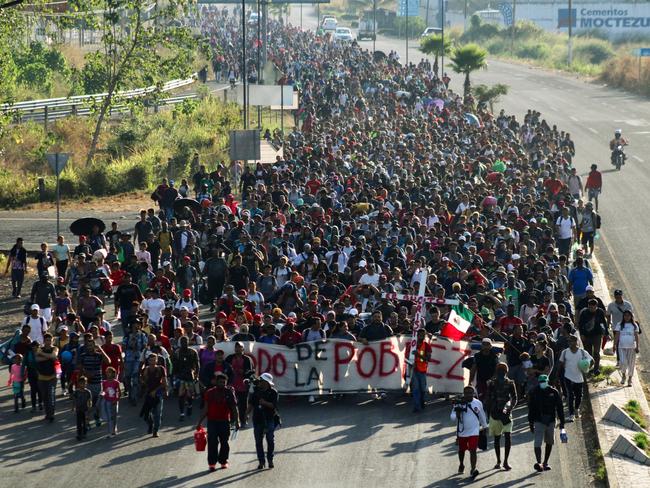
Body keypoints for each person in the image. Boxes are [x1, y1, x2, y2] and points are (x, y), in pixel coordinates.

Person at [196, 372, 240, 471]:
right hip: (212, 422)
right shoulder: (209, 393)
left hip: (224, 421)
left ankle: (223, 461)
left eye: (224, 382)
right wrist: (199, 422)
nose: (222, 384)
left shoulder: (229, 393)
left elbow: (234, 408)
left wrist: (237, 421)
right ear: (216, 382)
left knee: (225, 443)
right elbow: (206, 409)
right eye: (220, 382)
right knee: (212, 443)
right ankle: (212, 463)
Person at [528, 374, 565, 472]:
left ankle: (545, 462)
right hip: (538, 420)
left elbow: (560, 408)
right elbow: (531, 409)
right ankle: (539, 463)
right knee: (537, 442)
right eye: (540, 382)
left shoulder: (554, 392)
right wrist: (531, 423)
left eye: (544, 382)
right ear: (538, 382)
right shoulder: (534, 392)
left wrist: (562, 422)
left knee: (549, 442)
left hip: (551, 421)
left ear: (547, 381)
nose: (542, 383)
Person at [484, 363, 517, 471]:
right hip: (497, 413)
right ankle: (500, 461)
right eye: (500, 370)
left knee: (505, 437)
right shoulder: (492, 383)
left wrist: (509, 408)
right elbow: (488, 399)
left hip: (504, 414)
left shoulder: (510, 383)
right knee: (499, 438)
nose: (501, 372)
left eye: (502, 370)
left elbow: (514, 398)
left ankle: (504, 461)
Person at [450, 385, 488, 479]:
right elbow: (452, 417)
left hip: (474, 431)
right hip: (462, 432)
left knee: (473, 450)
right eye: (466, 393)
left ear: (473, 394)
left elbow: (482, 415)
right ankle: (461, 464)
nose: (468, 395)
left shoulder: (478, 403)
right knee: (461, 450)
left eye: (470, 393)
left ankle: (473, 469)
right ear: (464, 394)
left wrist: (485, 427)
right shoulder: (458, 403)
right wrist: (457, 414)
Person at [247, 372, 279, 470]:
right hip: (257, 419)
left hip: (269, 419)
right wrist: (245, 415)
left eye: (264, 381)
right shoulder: (255, 392)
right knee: (258, 442)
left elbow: (274, 405)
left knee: (270, 440)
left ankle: (270, 459)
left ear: (268, 383)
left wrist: (264, 402)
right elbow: (251, 405)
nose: (261, 382)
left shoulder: (273, 392)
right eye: (261, 381)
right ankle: (261, 461)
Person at [559, 335, 592, 422]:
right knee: (570, 395)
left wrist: (587, 368)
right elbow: (561, 362)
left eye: (572, 341)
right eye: (569, 341)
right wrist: (560, 373)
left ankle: (576, 409)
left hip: (579, 377)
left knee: (579, 395)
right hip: (568, 376)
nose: (570, 343)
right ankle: (571, 414)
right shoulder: (565, 352)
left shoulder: (582, 352)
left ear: (576, 342)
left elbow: (592, 361)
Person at [225, 342, 253, 427]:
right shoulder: (230, 358)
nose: (238, 349)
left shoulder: (247, 359)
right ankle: (232, 420)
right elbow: (225, 368)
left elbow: (251, 372)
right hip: (231, 384)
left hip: (243, 385)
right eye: (236, 347)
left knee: (243, 404)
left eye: (240, 347)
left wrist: (244, 372)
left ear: (243, 349)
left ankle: (243, 420)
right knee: (231, 403)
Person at [577, 299, 608, 375]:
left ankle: (596, 369)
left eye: (593, 307)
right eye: (590, 307)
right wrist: (582, 334)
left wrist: (606, 333)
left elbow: (603, 322)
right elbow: (580, 325)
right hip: (586, 336)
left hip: (597, 335)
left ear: (596, 306)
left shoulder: (600, 312)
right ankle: (589, 368)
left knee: (596, 353)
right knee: (588, 353)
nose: (591, 309)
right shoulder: (584, 313)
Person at [141, 353, 167, 437]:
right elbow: (143, 381)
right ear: (148, 361)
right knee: (146, 414)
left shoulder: (161, 369)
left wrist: (162, 391)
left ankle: (155, 431)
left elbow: (164, 382)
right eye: (151, 360)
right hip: (148, 394)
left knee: (157, 413)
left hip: (158, 393)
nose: (152, 362)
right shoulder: (146, 369)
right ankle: (150, 424)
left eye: (154, 360)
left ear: (157, 360)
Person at [613, 310, 640, 387]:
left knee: (631, 364)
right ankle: (624, 375)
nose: (626, 317)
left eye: (628, 315)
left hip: (632, 347)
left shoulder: (634, 325)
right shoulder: (619, 324)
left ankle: (630, 379)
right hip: (621, 347)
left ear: (631, 316)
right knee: (623, 362)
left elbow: (636, 336)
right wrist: (614, 345)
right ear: (623, 316)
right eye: (625, 315)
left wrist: (637, 346)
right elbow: (617, 335)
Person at [35, 333, 59, 422]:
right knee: (44, 397)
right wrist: (50, 357)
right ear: (44, 341)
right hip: (41, 378)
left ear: (52, 340)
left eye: (50, 340)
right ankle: (47, 414)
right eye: (46, 340)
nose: (48, 342)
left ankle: (51, 414)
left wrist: (43, 355)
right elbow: (37, 359)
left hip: (52, 377)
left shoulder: (55, 348)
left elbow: (54, 356)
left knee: (51, 396)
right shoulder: (40, 349)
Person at [409, 328, 431, 413]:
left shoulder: (427, 346)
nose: (421, 336)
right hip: (414, 369)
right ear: (417, 335)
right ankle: (416, 406)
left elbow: (428, 359)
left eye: (423, 335)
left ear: (425, 336)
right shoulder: (412, 345)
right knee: (416, 388)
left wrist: (418, 355)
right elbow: (407, 355)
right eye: (419, 335)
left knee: (422, 388)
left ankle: (422, 401)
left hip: (422, 370)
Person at [101, 366, 121, 437]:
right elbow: (104, 391)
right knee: (109, 417)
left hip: (114, 401)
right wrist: (102, 395)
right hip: (107, 401)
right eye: (107, 372)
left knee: (114, 415)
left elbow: (119, 392)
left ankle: (114, 428)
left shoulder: (116, 382)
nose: (108, 374)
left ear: (113, 373)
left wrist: (116, 400)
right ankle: (111, 431)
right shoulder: (104, 382)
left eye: (109, 372)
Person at [72, 376, 92, 441]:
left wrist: (89, 407)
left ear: (86, 383)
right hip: (78, 409)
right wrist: (73, 407)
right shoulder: (76, 392)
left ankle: (84, 433)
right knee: (79, 422)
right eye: (81, 383)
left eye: (84, 383)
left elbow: (89, 400)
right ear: (78, 383)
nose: (82, 385)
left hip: (85, 409)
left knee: (85, 422)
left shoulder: (88, 392)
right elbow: (74, 400)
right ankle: (79, 434)